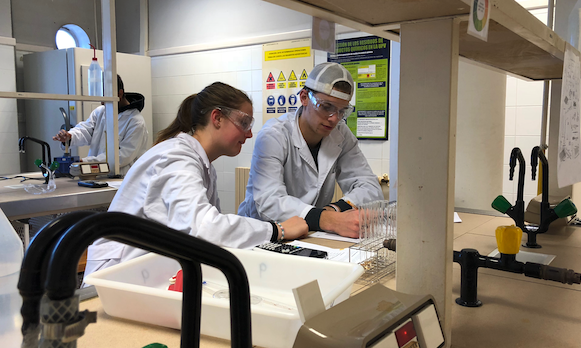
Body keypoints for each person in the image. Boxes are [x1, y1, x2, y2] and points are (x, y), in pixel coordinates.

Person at [83, 82, 308, 277]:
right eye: (244, 122)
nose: (249, 134)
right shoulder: (175, 156)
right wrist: (277, 229)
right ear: (217, 118)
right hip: (115, 274)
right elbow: (207, 228)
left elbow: (206, 235)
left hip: (147, 269)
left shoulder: (201, 164)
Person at [238, 62, 383, 238]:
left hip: (311, 233)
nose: (334, 118)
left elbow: (370, 187)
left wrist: (333, 210)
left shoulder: (340, 133)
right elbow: (270, 201)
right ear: (305, 97)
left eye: (342, 111)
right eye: (326, 107)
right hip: (265, 234)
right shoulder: (274, 135)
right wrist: (329, 219)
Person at [52, 75, 148, 176]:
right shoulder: (100, 112)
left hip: (121, 178)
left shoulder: (135, 121)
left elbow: (123, 156)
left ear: (119, 94)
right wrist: (70, 136)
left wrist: (86, 162)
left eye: (105, 98)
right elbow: (86, 130)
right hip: (95, 175)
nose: (101, 102)